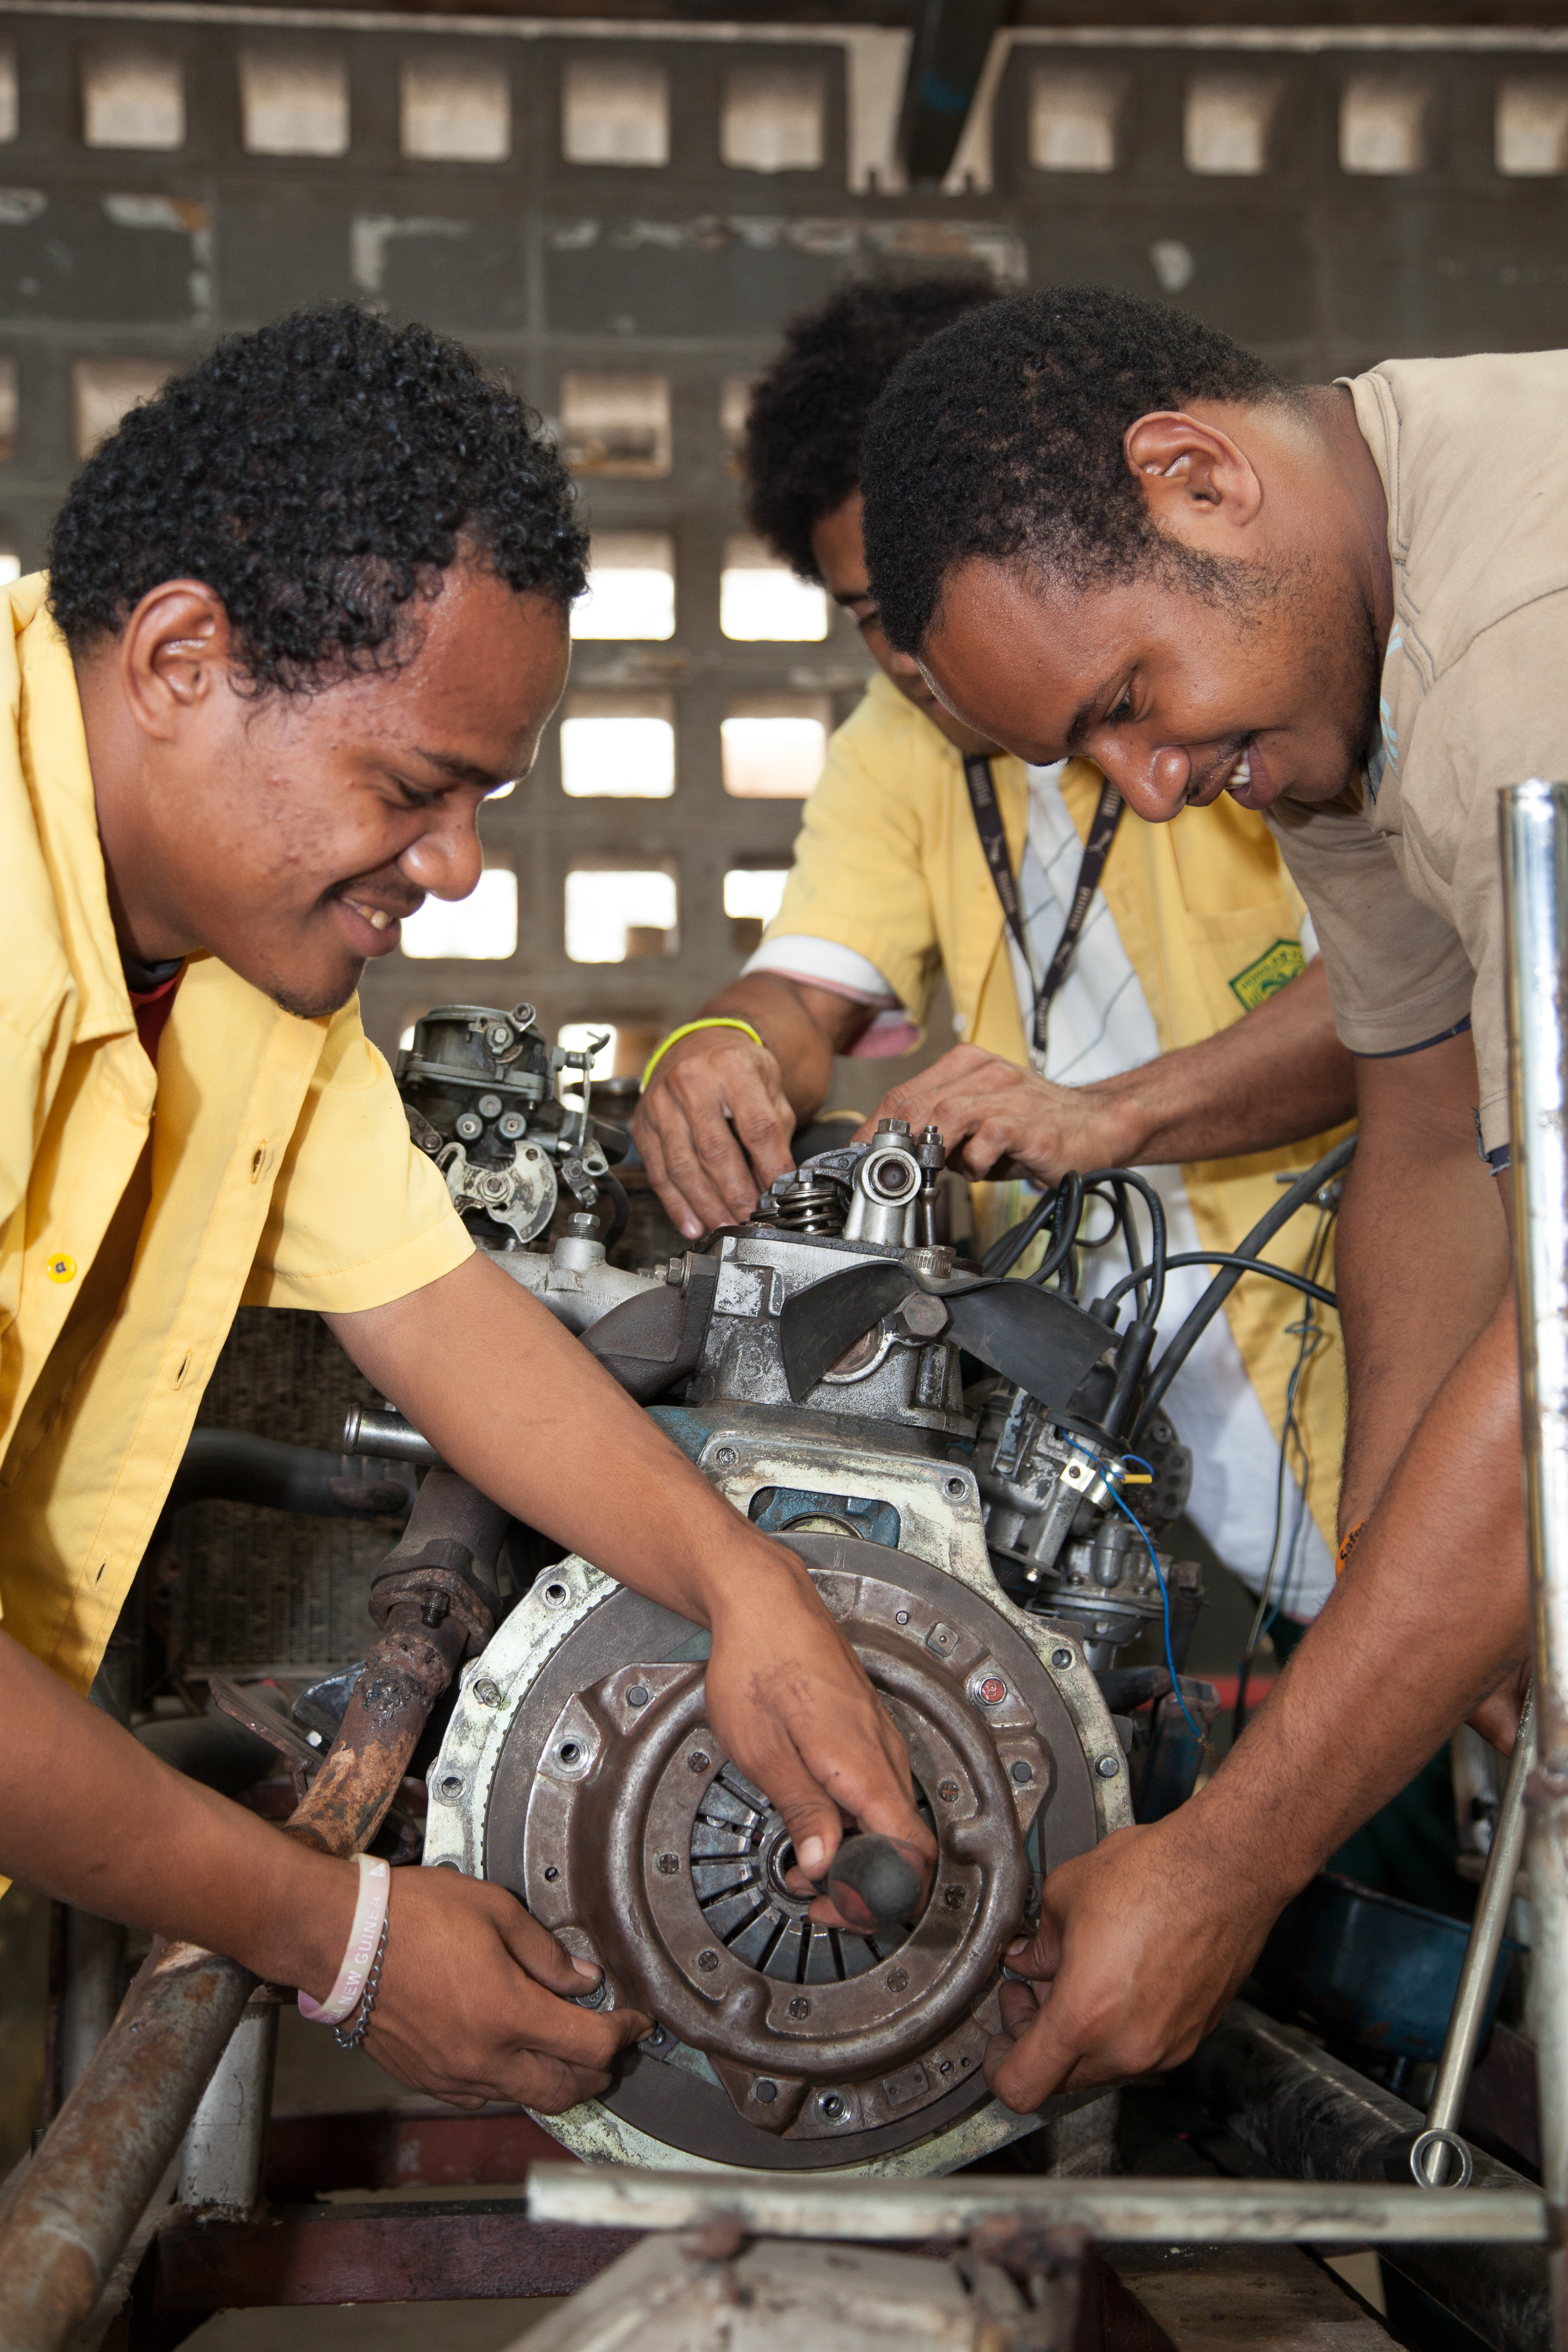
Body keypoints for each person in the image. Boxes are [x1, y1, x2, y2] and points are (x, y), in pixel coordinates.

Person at [1, 303, 930, 2117]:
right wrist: (333, 1933)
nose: (453, 867)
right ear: (182, 656)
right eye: (415, 790)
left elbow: (430, 1306)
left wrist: (747, 1589)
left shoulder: (241, 969)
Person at [858, 282, 1538, 2111]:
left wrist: (1235, 1859)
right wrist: (1429, 1599)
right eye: (1086, 755)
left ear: (1197, 479)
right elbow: (1418, 1125)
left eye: (1129, 703)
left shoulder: (1512, 655)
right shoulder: (1347, 658)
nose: (1152, 792)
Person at [634, 275, 1357, 1626]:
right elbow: (802, 988)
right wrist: (716, 1048)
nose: (921, 658)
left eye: (940, 601)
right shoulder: (891, 749)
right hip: (1136, 1451)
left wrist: (1102, 1116)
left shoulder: (1234, 690)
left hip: (1363, 1367)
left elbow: (1403, 1004)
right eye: (870, 612)